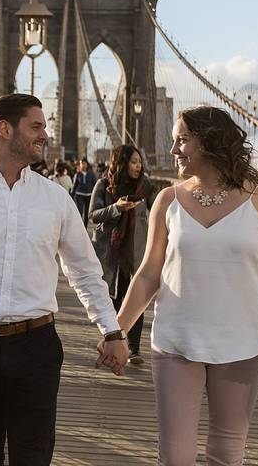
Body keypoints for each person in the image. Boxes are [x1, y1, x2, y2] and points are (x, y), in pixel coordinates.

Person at [0, 93, 129, 466]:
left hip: (36, 347)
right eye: (36, 126)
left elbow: (84, 271)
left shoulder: (57, 199)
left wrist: (111, 331)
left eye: (44, 127)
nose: (45, 134)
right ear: (4, 129)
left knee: (33, 457)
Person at [102, 105, 258, 465]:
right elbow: (148, 273)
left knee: (227, 454)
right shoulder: (167, 200)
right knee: (175, 457)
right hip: (176, 341)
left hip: (240, 344)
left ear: (209, 142)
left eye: (182, 140)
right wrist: (117, 333)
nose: (174, 149)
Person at [88, 144, 156, 364]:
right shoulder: (103, 185)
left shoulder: (146, 188)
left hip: (136, 253)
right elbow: (93, 215)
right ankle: (114, 345)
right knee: (114, 302)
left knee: (135, 299)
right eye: (133, 162)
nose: (138, 166)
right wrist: (116, 208)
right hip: (110, 253)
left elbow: (159, 215)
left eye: (139, 162)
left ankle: (134, 349)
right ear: (121, 163)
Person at [72, 159, 97, 225]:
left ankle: (85, 227)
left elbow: (95, 185)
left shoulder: (91, 174)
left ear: (87, 165)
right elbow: (74, 186)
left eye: (84, 163)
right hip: (79, 195)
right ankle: (79, 227)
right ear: (80, 165)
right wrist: (71, 195)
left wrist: (96, 196)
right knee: (79, 212)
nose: (83, 165)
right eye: (81, 163)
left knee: (87, 213)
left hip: (89, 196)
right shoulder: (77, 174)